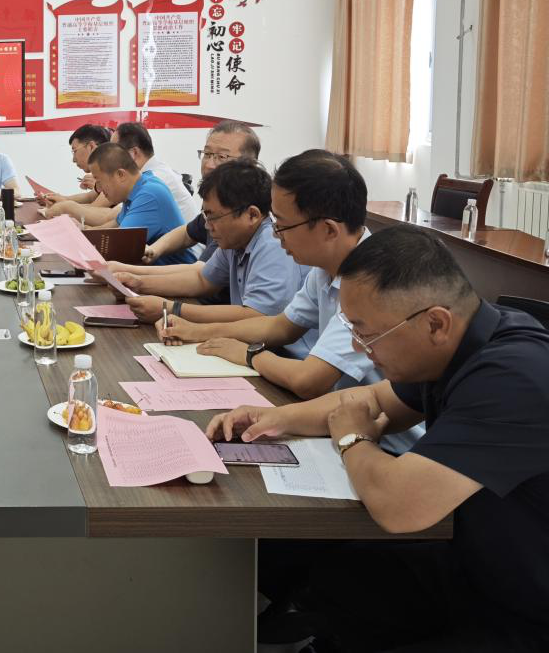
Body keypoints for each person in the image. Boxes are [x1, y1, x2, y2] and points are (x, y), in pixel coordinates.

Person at [217, 227, 549, 653]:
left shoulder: (513, 377)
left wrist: (353, 439)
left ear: (435, 323)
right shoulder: (459, 344)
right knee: (340, 574)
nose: (360, 348)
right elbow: (373, 399)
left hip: (526, 606)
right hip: (478, 562)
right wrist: (273, 418)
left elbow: (399, 505)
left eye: (367, 334)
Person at [169, 151, 419, 451]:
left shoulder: (371, 281)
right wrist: (199, 332)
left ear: (328, 230)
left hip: (387, 445)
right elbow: (281, 326)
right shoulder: (325, 267)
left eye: (283, 226)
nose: (276, 235)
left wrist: (250, 355)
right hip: (334, 420)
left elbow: (309, 380)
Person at [116, 161, 311, 342]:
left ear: (252, 215)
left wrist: (172, 309)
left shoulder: (272, 244)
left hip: (287, 352)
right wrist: (139, 284)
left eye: (213, 217)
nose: (207, 226)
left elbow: (257, 316)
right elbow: (203, 280)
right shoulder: (235, 241)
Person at [139, 120, 260, 265]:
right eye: (207, 154)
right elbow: (188, 233)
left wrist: (130, 274)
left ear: (250, 165)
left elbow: (201, 274)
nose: (209, 165)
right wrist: (154, 250)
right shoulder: (216, 199)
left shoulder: (239, 212)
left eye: (222, 157)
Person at [85, 142, 194, 264]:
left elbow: (117, 247)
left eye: (99, 181)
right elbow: (113, 227)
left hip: (174, 274)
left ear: (120, 175)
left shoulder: (149, 194)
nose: (99, 189)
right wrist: (84, 230)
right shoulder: (137, 187)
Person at [113, 122, 200, 222]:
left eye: (113, 153)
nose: (110, 160)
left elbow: (112, 216)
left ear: (134, 153)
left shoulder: (155, 179)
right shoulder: (154, 171)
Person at [33, 124, 111, 207]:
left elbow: (94, 209)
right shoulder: (103, 173)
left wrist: (63, 204)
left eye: (75, 151)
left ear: (91, 147)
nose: (73, 160)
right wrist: (57, 198)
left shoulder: (111, 174)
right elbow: (89, 197)